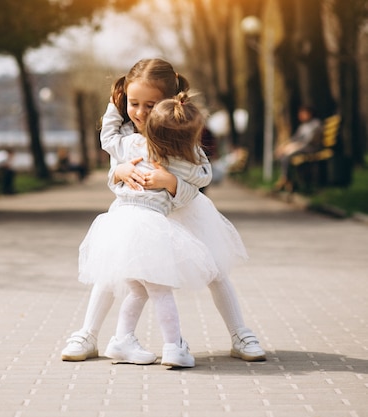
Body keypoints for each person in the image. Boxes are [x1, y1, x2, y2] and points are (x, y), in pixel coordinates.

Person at [62, 58, 265, 364]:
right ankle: (88, 334)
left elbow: (202, 176)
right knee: (112, 271)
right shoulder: (128, 135)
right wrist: (117, 175)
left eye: (150, 105)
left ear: (168, 102)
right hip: (136, 214)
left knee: (215, 270)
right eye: (133, 103)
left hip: (184, 211)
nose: (140, 112)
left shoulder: (177, 133)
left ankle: (240, 333)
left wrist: (171, 183)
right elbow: (117, 173)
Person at [78, 92, 219, 367]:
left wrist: (112, 108)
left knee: (138, 289)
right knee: (160, 290)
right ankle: (174, 346)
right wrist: (194, 149)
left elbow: (107, 139)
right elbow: (205, 176)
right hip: (148, 227)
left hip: (118, 224)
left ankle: (122, 340)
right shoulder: (183, 160)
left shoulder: (132, 143)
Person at [273, 106, 323, 192]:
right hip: (300, 147)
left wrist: (294, 146)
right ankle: (288, 180)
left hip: (310, 148)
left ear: (309, 113)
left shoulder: (316, 124)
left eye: (303, 113)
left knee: (288, 155)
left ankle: (286, 179)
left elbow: (310, 141)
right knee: (283, 154)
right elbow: (294, 138)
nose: (301, 116)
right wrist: (284, 146)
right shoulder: (303, 126)